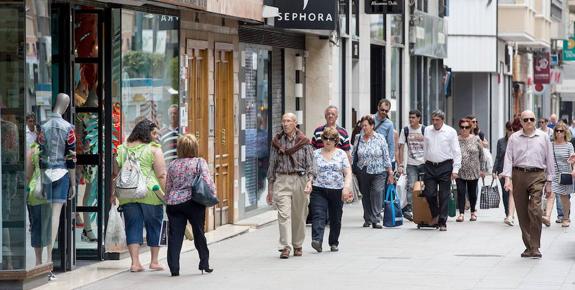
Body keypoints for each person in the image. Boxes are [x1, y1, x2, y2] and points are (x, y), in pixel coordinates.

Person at [111, 119, 167, 272]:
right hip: (150, 192)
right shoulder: (154, 149)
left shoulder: (122, 149)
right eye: (154, 133)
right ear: (145, 132)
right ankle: (154, 261)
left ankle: (135, 263)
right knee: (154, 225)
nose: (156, 136)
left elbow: (115, 174)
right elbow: (161, 174)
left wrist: (113, 194)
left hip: (127, 193)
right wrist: (167, 194)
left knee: (132, 226)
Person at [503, 110, 554, 259]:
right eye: (525, 120)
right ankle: (529, 246)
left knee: (535, 209)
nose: (529, 122)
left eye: (532, 119)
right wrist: (507, 179)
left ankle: (536, 246)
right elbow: (508, 159)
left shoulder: (544, 137)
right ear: (521, 122)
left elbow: (549, 159)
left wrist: (549, 182)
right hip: (518, 174)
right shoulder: (514, 138)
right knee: (522, 213)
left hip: (537, 174)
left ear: (535, 120)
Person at [266, 113, 316, 259]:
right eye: (283, 121)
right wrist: (270, 188)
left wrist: (309, 181)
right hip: (281, 179)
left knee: (300, 215)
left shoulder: (304, 141)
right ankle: (285, 246)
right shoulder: (277, 141)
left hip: (300, 179)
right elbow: (272, 164)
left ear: (295, 123)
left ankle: (297, 244)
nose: (285, 124)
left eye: (288, 121)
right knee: (283, 214)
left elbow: (311, 163)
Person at [165, 134, 216, 276]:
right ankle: (204, 263)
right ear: (195, 147)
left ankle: (174, 268)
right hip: (194, 202)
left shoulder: (173, 164)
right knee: (198, 232)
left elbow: (168, 186)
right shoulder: (199, 162)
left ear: (180, 148)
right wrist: (212, 195)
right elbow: (207, 181)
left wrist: (167, 199)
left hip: (174, 203)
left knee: (175, 236)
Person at [310, 127, 352, 253]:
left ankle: (333, 242)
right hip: (319, 188)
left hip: (337, 189)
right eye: (325, 138)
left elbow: (348, 172)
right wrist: (309, 182)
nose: (328, 141)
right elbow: (311, 171)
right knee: (318, 214)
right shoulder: (315, 154)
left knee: (335, 217)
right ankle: (317, 240)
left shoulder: (341, 154)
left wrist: (346, 187)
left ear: (336, 141)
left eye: (331, 139)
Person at [422, 110, 462, 231]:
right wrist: (424, 161)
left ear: (442, 120)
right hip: (430, 165)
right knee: (429, 193)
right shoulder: (427, 130)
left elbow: (456, 151)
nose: (434, 122)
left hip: (445, 166)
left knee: (444, 195)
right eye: (433, 120)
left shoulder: (450, 132)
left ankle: (442, 221)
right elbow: (425, 146)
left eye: (437, 120)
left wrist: (455, 169)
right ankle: (435, 214)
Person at [353, 115, 394, 229]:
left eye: (366, 125)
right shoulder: (358, 138)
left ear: (372, 126)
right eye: (362, 126)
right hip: (363, 170)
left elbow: (386, 156)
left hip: (379, 170)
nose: (364, 128)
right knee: (365, 195)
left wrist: (390, 172)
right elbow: (354, 153)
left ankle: (376, 218)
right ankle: (368, 218)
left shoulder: (380, 138)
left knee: (377, 191)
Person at [543, 122, 574, 228]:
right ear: (554, 132)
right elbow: (546, 158)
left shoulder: (569, 145)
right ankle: (547, 217)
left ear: (565, 132)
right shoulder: (550, 144)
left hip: (565, 174)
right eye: (557, 130)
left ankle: (565, 218)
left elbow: (573, 158)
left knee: (564, 198)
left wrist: (571, 161)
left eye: (561, 131)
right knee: (550, 194)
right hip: (552, 173)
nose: (559, 133)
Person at [455, 118, 486, 222]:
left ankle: (473, 212)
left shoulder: (476, 139)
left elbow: (482, 155)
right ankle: (461, 214)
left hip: (473, 170)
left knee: (472, 193)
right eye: (462, 127)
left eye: (467, 127)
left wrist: (482, 169)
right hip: (459, 170)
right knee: (460, 191)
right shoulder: (456, 139)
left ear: (470, 128)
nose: (464, 129)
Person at [397, 110, 426, 221]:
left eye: (413, 117)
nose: (411, 119)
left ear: (419, 118)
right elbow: (401, 147)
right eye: (410, 117)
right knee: (411, 186)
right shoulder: (405, 130)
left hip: (424, 163)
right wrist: (400, 164)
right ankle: (409, 209)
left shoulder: (424, 129)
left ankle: (423, 207)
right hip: (411, 164)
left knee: (424, 186)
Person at [493, 121, 517, 226]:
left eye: (513, 130)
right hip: (503, 171)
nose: (511, 132)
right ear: (506, 130)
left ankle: (511, 213)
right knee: (505, 193)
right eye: (510, 130)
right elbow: (498, 157)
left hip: (515, 170)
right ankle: (508, 214)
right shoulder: (501, 142)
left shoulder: (518, 141)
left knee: (514, 193)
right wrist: (494, 171)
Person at [372, 99, 395, 168]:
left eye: (386, 111)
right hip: (367, 158)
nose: (384, 112)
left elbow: (391, 144)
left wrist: (389, 162)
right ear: (378, 107)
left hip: (381, 159)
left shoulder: (389, 124)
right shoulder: (370, 119)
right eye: (382, 110)